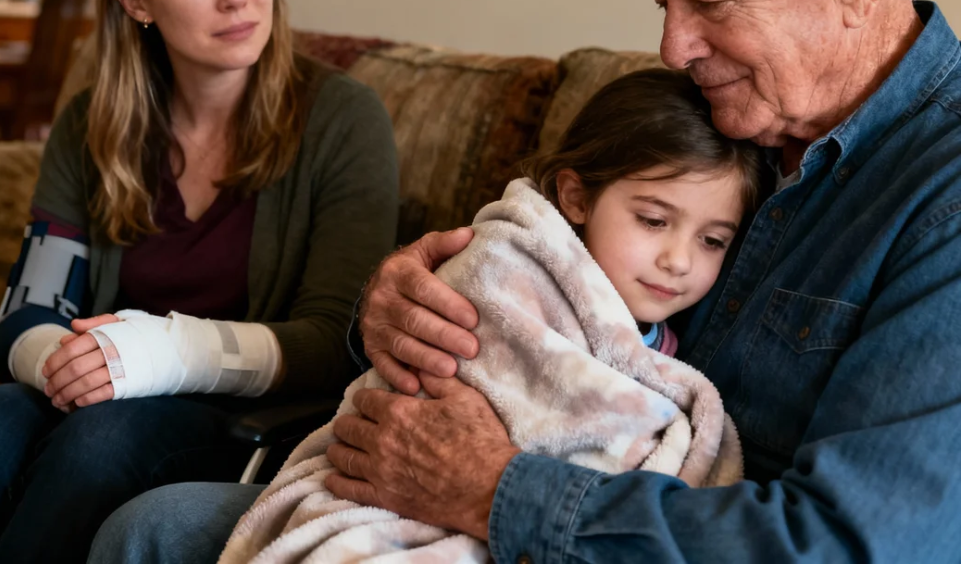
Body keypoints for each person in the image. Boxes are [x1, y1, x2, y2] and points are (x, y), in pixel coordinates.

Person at [88, 0, 961, 563]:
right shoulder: (729, 125)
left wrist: (496, 492)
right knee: (155, 528)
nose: (673, 49)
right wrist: (404, 313)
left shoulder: (940, 196)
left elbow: (855, 545)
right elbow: (556, 297)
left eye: (710, 0)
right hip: (552, 486)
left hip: (640, 529)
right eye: (662, 4)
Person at [88, 68, 764, 564]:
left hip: (543, 523)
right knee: (140, 518)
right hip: (391, 493)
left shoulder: (688, 329)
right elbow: (462, 368)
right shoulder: (514, 271)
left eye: (713, 241)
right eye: (653, 220)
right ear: (575, 198)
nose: (679, 260)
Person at [0, 0, 399, 564]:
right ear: (136, 0)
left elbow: (337, 342)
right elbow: (29, 308)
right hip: (97, 394)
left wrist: (162, 354)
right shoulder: (90, 124)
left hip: (244, 420)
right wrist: (61, 364)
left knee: (100, 439)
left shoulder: (344, 120)